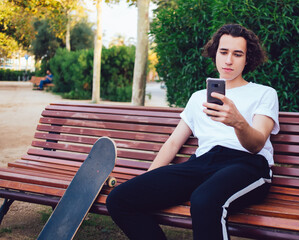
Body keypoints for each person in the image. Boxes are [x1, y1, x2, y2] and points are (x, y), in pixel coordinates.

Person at [106, 24, 280, 240]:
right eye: (223, 52)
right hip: (202, 163)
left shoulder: (264, 93)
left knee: (204, 200)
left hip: (247, 164)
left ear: (247, 58)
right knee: (120, 199)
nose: (228, 60)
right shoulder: (198, 97)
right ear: (215, 53)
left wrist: (238, 122)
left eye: (237, 54)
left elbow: (256, 144)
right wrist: (148, 181)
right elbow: (173, 144)